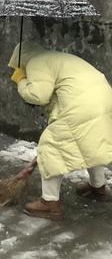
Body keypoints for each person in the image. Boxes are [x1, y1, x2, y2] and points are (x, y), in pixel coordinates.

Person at [9, 42, 112, 220]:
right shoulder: (55, 57)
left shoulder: (36, 62)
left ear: (21, 58)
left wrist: (21, 80)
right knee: (89, 142)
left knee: (50, 148)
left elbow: (38, 95)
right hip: (104, 99)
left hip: (82, 106)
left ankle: (49, 204)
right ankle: (98, 188)